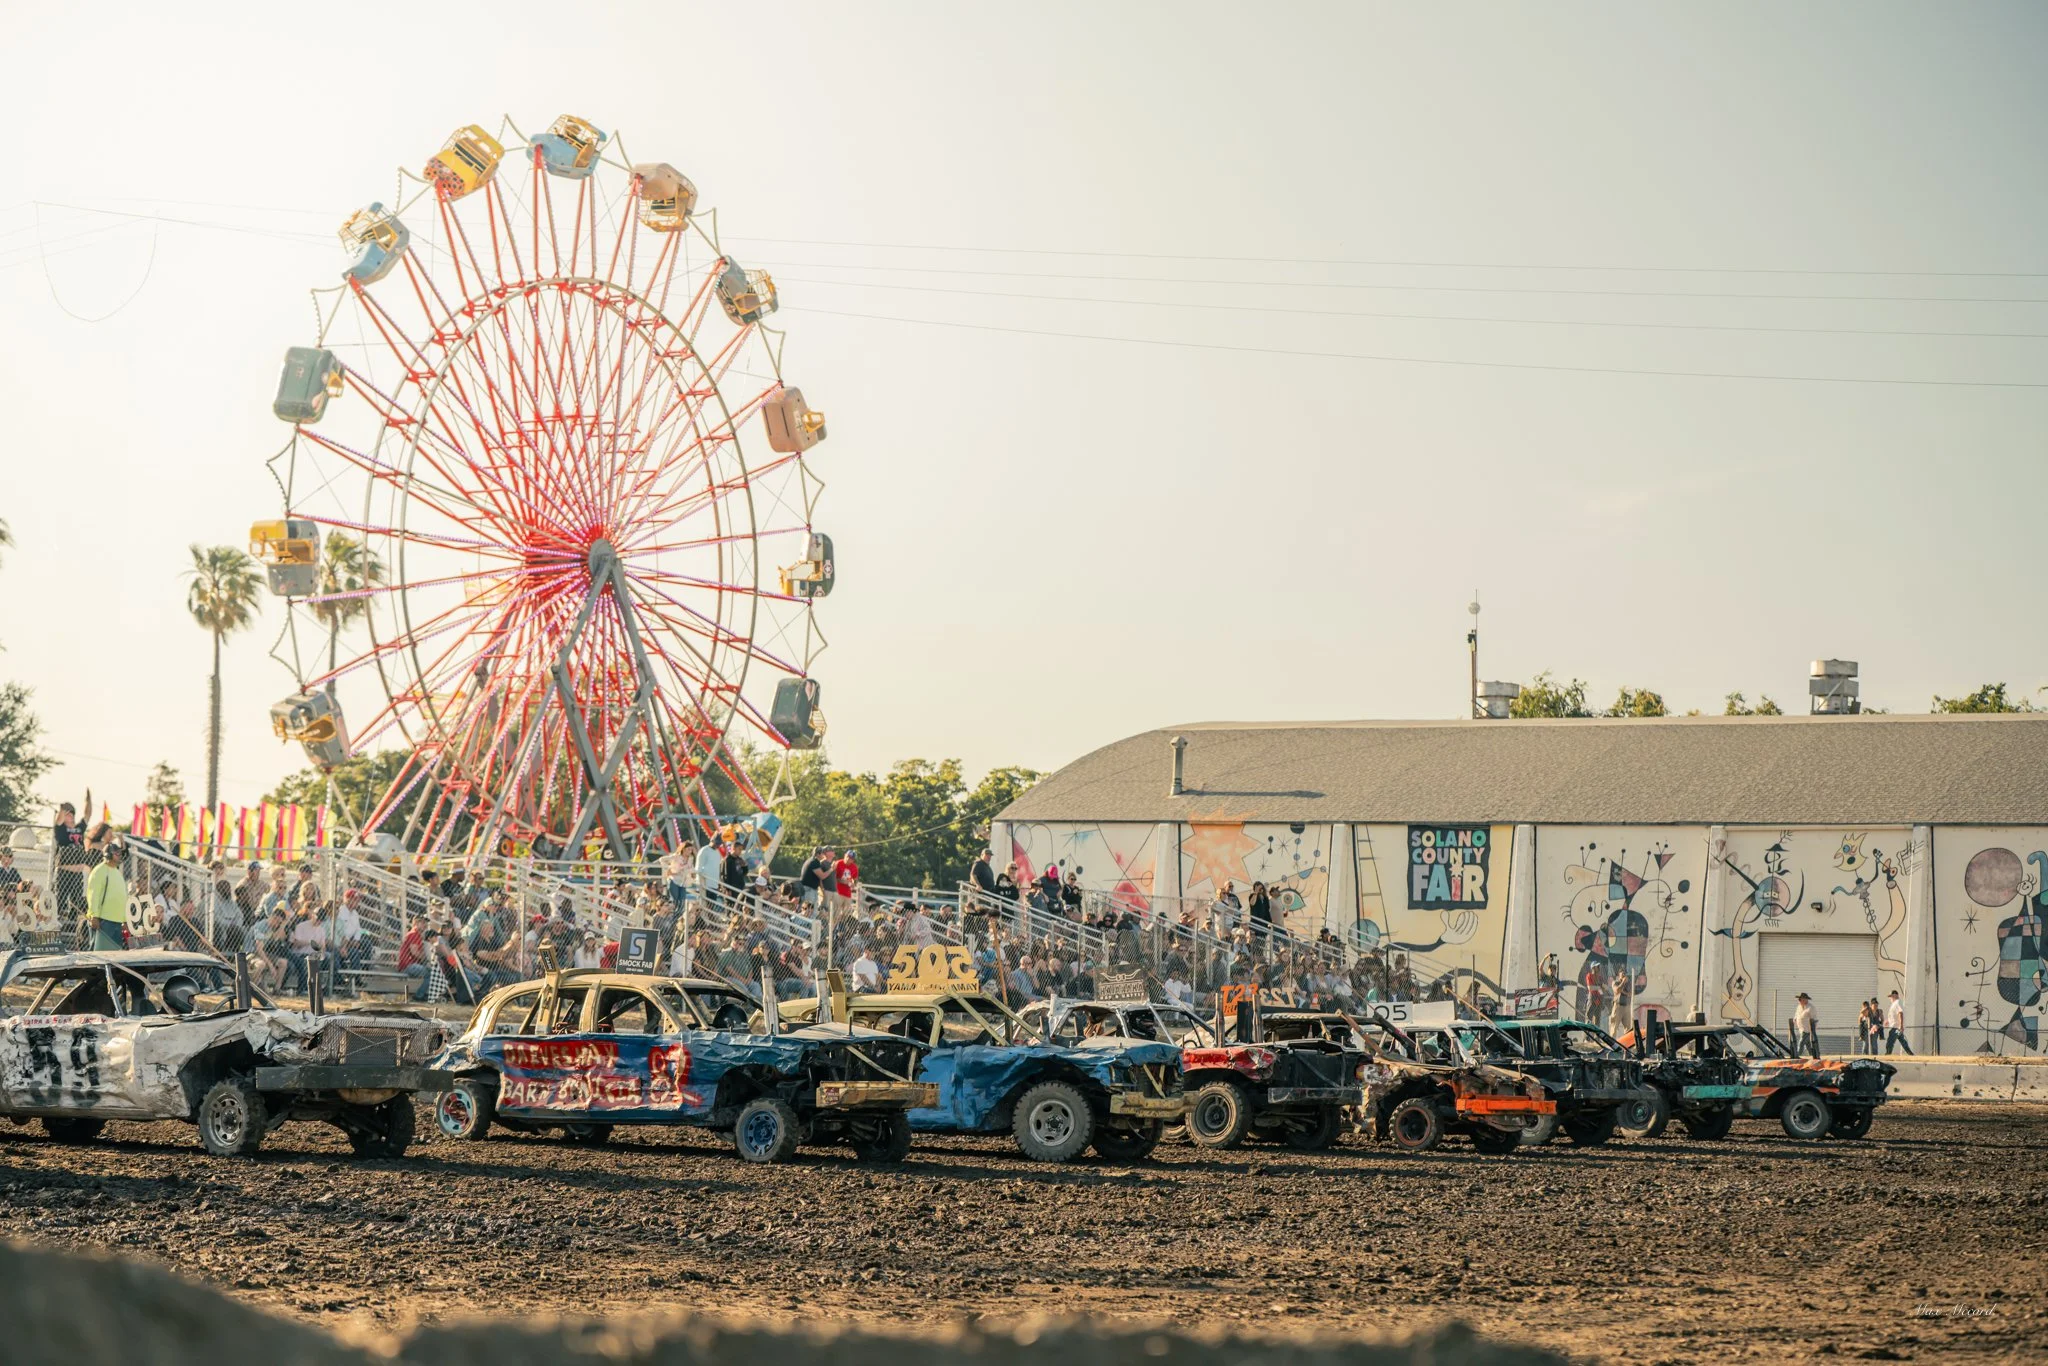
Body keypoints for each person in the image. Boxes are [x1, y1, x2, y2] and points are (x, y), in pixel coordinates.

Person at [84, 844, 128, 951]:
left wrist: (124, 920)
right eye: (117, 853)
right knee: (99, 955)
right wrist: (94, 916)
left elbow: (122, 898)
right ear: (108, 855)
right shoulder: (99, 870)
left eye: (120, 853)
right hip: (103, 920)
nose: (119, 855)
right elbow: (93, 894)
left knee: (115, 955)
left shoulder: (117, 873)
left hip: (116, 921)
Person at [52, 802, 88, 926]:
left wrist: (88, 799)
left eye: (72, 814)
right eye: (68, 814)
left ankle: (73, 924)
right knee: (60, 898)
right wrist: (63, 809)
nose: (71, 816)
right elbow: (59, 819)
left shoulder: (79, 828)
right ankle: (56, 922)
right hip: (63, 871)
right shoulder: (61, 829)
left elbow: (87, 815)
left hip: (77, 873)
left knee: (76, 900)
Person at [1883, 990, 1913, 1055]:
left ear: (1895, 995)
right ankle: (1911, 1054)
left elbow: (1900, 1013)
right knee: (1903, 1041)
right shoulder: (1895, 1003)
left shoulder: (1897, 1002)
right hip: (1897, 1028)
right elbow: (1895, 1015)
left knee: (1890, 1042)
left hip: (1895, 1028)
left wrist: (1901, 1025)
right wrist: (1888, 1021)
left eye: (1891, 996)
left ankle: (1887, 1054)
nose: (1890, 998)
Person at [1791, 991, 1819, 1058]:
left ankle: (1797, 1056)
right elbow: (1796, 1014)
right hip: (1801, 1029)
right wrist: (1795, 1019)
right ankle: (1813, 1056)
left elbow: (1814, 1018)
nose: (1799, 1000)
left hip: (1807, 1030)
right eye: (1799, 999)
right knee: (1808, 1045)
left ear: (1805, 999)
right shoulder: (1799, 1007)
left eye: (1801, 999)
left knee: (1801, 1043)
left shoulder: (1811, 1007)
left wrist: (1812, 1029)